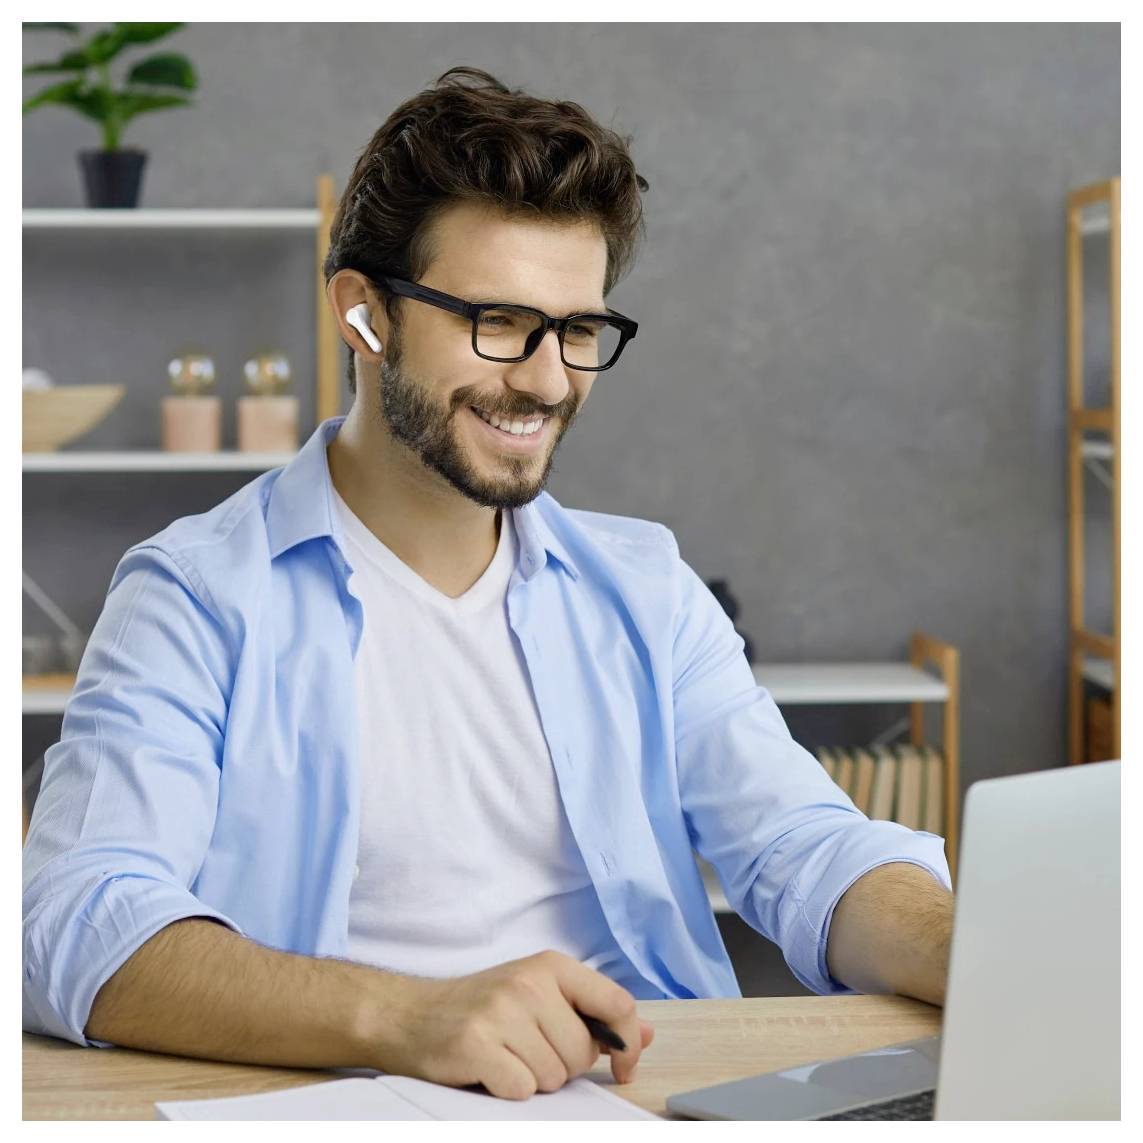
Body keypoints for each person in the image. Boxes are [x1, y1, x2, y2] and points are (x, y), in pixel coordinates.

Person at [22, 66, 954, 1101]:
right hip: (341, 1102)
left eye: (579, 331)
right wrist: (408, 1019)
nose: (547, 381)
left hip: (645, 1101)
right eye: (499, 322)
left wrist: (976, 951)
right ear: (364, 315)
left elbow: (802, 844)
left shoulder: (645, 589)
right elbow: (74, 917)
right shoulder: (195, 595)